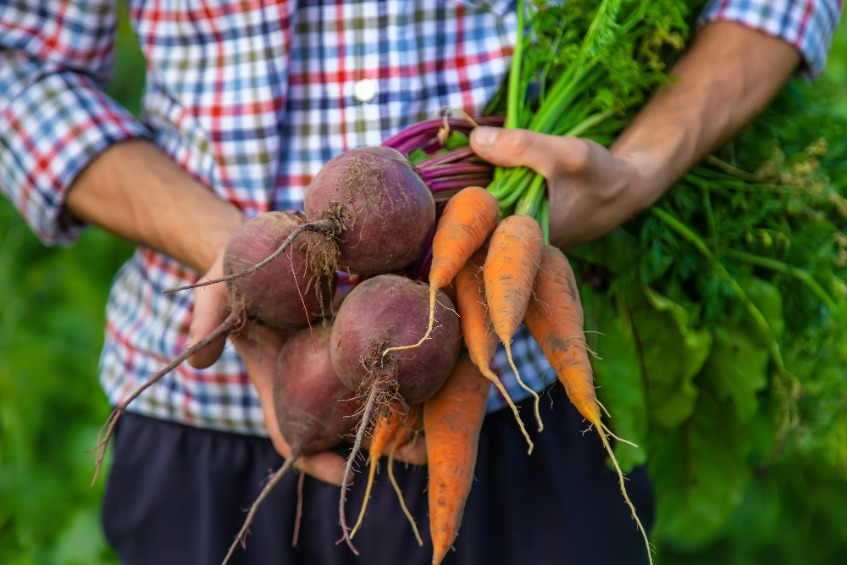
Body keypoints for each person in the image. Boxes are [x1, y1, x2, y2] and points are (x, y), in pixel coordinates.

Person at [0, 1, 841, 564]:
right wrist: (247, 253)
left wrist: (637, 171)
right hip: (203, 422)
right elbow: (18, 63)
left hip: (521, 407)